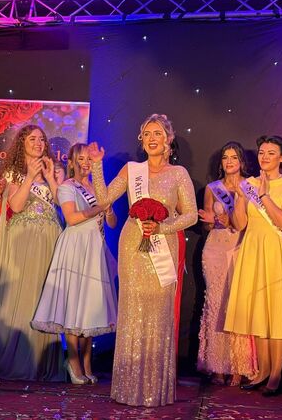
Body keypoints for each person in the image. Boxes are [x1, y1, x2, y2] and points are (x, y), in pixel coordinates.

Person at [88, 113, 198, 407]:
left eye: (157, 133)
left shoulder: (179, 174)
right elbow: (104, 200)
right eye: (147, 133)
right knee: (133, 311)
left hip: (163, 244)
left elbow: (191, 215)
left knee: (159, 313)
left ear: (168, 139)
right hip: (133, 246)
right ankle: (128, 388)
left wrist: (162, 227)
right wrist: (97, 165)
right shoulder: (132, 170)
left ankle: (154, 389)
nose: (152, 138)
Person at [31, 143, 118, 384]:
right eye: (80, 159)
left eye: (89, 159)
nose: (85, 163)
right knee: (73, 305)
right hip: (76, 246)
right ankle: (73, 362)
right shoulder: (67, 187)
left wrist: (108, 211)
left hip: (95, 248)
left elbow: (112, 223)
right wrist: (98, 208)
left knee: (89, 307)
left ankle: (88, 363)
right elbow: (71, 218)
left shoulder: (97, 188)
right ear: (71, 162)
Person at [224, 135, 282, 396]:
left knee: (277, 312)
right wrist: (240, 198)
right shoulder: (249, 184)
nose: (265, 157)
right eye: (261, 152)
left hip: (277, 252)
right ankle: (263, 370)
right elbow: (240, 224)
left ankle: (276, 374)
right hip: (253, 249)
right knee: (259, 311)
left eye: (271, 153)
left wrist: (265, 195)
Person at [0, 125, 65, 381]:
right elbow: (16, 205)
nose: (38, 143)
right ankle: (21, 360)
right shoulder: (13, 173)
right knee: (25, 295)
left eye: (41, 139)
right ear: (22, 143)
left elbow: (62, 204)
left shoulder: (54, 170)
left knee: (45, 295)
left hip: (49, 239)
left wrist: (51, 179)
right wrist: (30, 177)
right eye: (32, 139)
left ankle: (44, 362)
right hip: (24, 241)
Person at [197, 141, 257, 386]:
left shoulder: (251, 185)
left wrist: (231, 219)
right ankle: (217, 365)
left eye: (234, 157)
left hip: (241, 245)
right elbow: (207, 224)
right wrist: (213, 221)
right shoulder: (213, 188)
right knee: (216, 304)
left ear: (241, 161)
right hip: (215, 248)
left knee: (238, 305)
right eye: (225, 157)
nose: (229, 161)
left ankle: (239, 366)